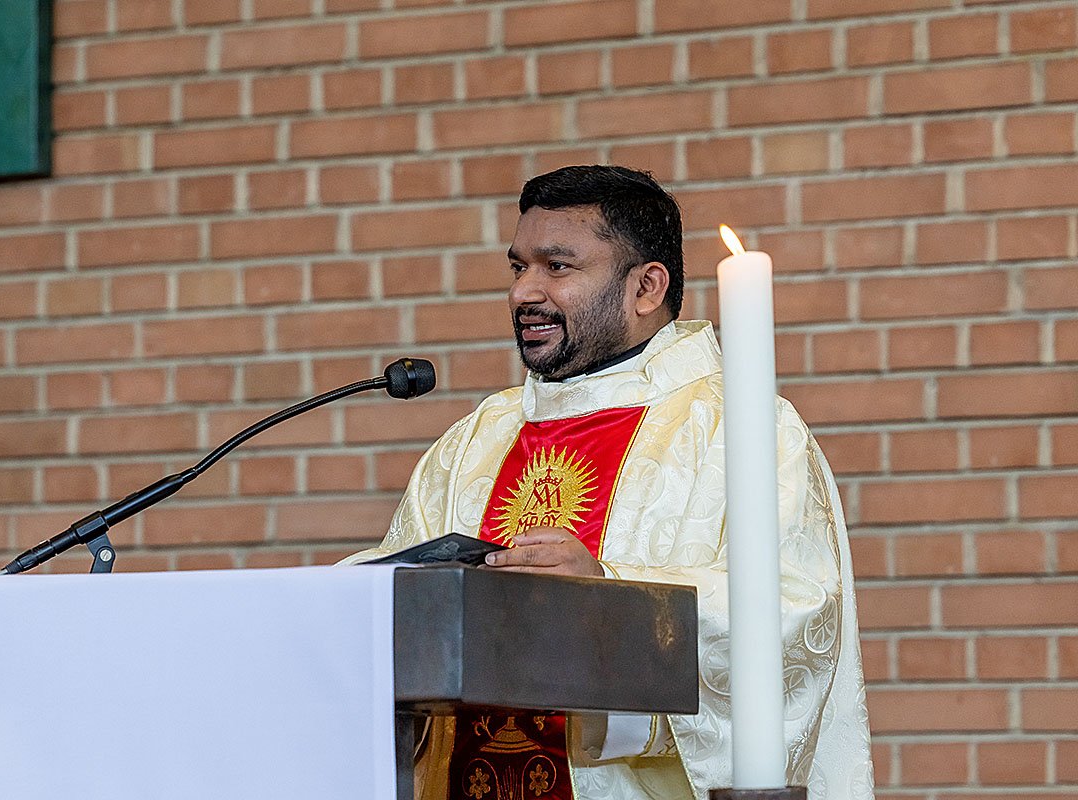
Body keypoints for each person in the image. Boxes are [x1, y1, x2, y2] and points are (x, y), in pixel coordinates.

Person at [344, 165, 874, 800]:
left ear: (646, 287)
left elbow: (795, 617)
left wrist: (606, 596)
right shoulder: (476, 440)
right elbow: (393, 600)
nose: (523, 292)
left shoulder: (737, 427)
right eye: (518, 267)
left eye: (557, 267)